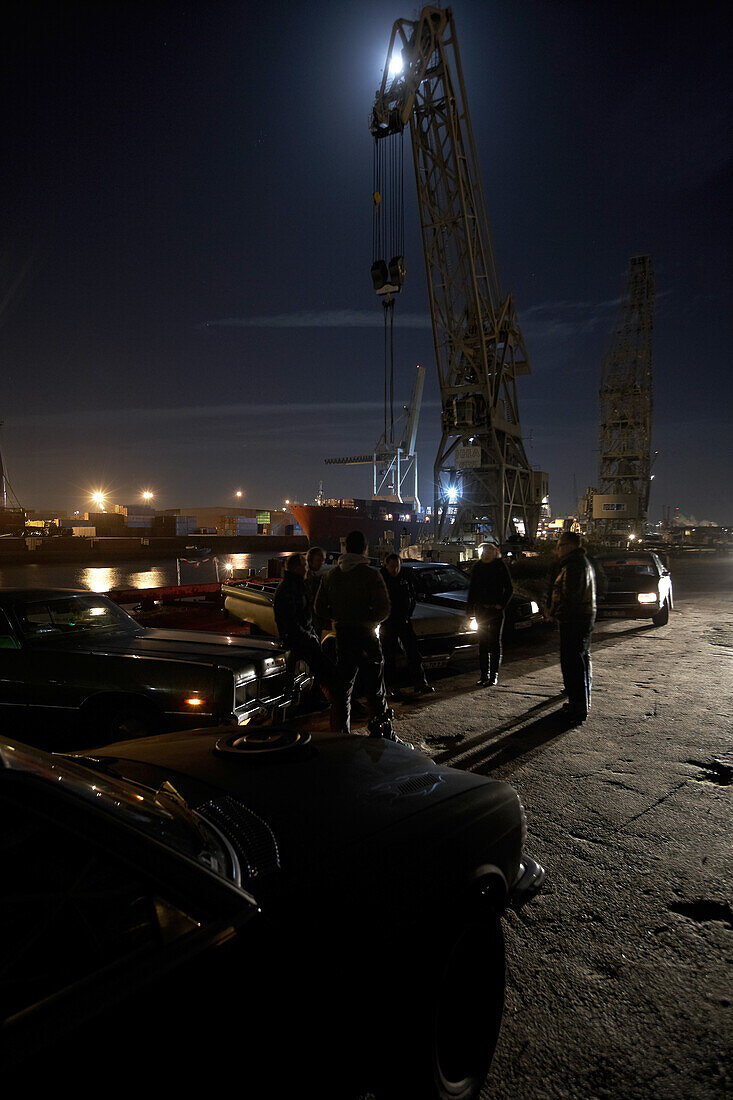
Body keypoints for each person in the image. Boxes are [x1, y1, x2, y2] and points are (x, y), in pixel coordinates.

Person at [314, 530, 396, 739]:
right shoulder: (371, 574)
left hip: (343, 635)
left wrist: (338, 617)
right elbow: (384, 609)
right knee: (375, 689)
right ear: (364, 548)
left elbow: (320, 608)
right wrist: (369, 619)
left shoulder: (330, 576)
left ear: (345, 548)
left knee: (343, 690)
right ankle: (383, 735)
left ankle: (341, 735)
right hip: (367, 636)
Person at [273, 552, 337, 715]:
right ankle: (335, 704)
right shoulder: (290, 589)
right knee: (325, 668)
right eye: (305, 565)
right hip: (298, 640)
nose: (307, 568)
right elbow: (292, 620)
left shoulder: (294, 586)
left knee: (313, 669)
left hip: (300, 638)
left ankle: (306, 702)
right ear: (296, 567)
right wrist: (309, 636)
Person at [548, 531, 596, 723]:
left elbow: (571, 597)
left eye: (560, 545)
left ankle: (578, 708)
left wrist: (559, 616)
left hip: (574, 621)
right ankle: (579, 704)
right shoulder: (580, 563)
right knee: (580, 662)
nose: (558, 550)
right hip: (580, 619)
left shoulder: (574, 566)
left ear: (569, 546)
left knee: (573, 665)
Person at [379, 553, 434, 696]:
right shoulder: (381, 579)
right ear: (386, 565)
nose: (395, 569)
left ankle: (420, 683)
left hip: (404, 620)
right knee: (389, 657)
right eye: (392, 566)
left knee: (413, 653)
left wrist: (409, 613)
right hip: (388, 622)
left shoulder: (405, 576)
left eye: (397, 566)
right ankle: (391, 687)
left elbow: (412, 595)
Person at [466, 542, 513, 686]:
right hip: (481, 610)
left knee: (494, 643)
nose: (486, 553)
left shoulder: (499, 566)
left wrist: (501, 604)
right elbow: (472, 589)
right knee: (482, 643)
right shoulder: (478, 567)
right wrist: (469, 609)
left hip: (495, 610)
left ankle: (493, 676)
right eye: (484, 551)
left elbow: (509, 588)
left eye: (489, 551)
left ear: (494, 552)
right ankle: (483, 675)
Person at [304, 545, 326, 633]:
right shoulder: (308, 579)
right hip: (310, 622)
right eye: (318, 560)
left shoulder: (312, 576)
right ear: (310, 560)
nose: (321, 563)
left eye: (322, 560)